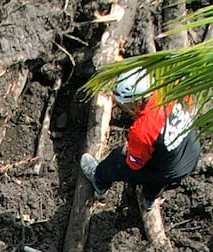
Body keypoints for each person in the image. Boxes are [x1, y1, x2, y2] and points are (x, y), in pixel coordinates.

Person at [79, 68, 201, 212]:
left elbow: (134, 165)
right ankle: (150, 199)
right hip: (191, 154)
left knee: (117, 159)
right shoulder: (170, 90)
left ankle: (99, 180)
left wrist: (128, 150)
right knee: (160, 169)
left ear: (137, 102)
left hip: (168, 170)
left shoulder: (142, 131)